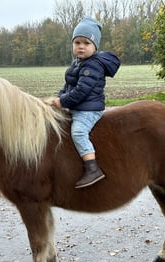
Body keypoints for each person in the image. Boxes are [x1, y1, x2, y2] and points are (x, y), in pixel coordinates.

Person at [50, 17, 120, 189]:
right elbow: (68, 86)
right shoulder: (78, 64)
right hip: (78, 106)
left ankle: (92, 168)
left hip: (88, 110)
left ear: (95, 47)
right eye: (77, 42)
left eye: (86, 43)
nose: (81, 46)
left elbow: (81, 92)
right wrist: (58, 99)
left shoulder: (93, 65)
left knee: (78, 132)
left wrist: (62, 101)